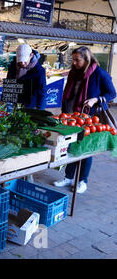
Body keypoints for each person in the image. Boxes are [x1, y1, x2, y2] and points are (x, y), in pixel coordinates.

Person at [54, 46, 116, 194]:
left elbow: (112, 93)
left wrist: (95, 99)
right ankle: (69, 177)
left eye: (78, 60)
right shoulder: (74, 73)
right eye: (73, 59)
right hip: (72, 115)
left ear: (86, 59)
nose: (74, 63)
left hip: (90, 117)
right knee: (72, 146)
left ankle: (83, 181)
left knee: (86, 148)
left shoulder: (100, 74)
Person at [7, 43, 47, 110]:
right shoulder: (12, 67)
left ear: (31, 56)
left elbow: (42, 91)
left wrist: (40, 110)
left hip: (30, 106)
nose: (22, 63)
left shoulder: (39, 70)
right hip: (13, 103)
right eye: (20, 61)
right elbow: (8, 85)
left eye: (25, 61)